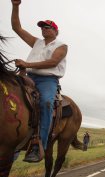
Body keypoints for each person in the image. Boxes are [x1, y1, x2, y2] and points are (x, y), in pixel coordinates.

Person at [11, 0, 68, 162]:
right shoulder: (37, 42)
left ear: (55, 31)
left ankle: (39, 144)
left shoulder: (62, 45)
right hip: (28, 77)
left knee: (46, 103)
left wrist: (27, 64)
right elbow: (17, 28)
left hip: (47, 80)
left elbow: (53, 62)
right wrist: (15, 6)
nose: (44, 29)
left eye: (47, 27)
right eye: (42, 27)